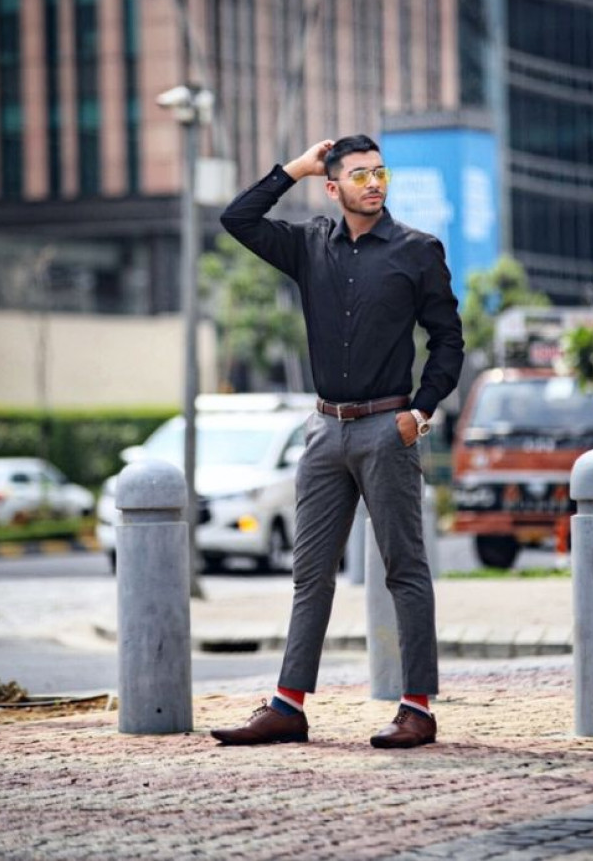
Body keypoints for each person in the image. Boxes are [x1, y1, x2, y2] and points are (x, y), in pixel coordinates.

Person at [210, 135, 464, 749]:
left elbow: (448, 341)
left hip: (388, 427)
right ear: (333, 188)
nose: (374, 183)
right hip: (325, 430)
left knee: (405, 569)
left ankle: (417, 709)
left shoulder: (417, 251)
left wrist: (420, 414)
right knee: (309, 575)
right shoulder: (308, 245)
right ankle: (288, 707)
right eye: (359, 175)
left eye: (380, 173)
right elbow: (236, 217)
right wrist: (294, 168)